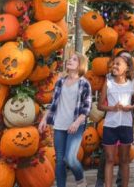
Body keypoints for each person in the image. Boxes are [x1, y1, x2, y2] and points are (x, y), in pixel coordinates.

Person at [38, 52, 91, 187]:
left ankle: (80, 179)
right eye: (70, 59)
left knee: (70, 159)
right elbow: (53, 103)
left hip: (75, 125)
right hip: (59, 125)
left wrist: (76, 123)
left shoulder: (84, 83)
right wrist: (44, 119)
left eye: (74, 59)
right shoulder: (60, 82)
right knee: (60, 161)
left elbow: (86, 108)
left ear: (80, 65)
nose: (70, 61)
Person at [98, 51, 134, 187]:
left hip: (126, 125)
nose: (114, 66)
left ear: (126, 68)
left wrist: (131, 107)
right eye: (113, 64)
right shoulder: (108, 84)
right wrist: (112, 108)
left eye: (118, 64)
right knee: (110, 159)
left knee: (124, 160)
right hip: (110, 125)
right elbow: (99, 105)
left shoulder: (132, 84)